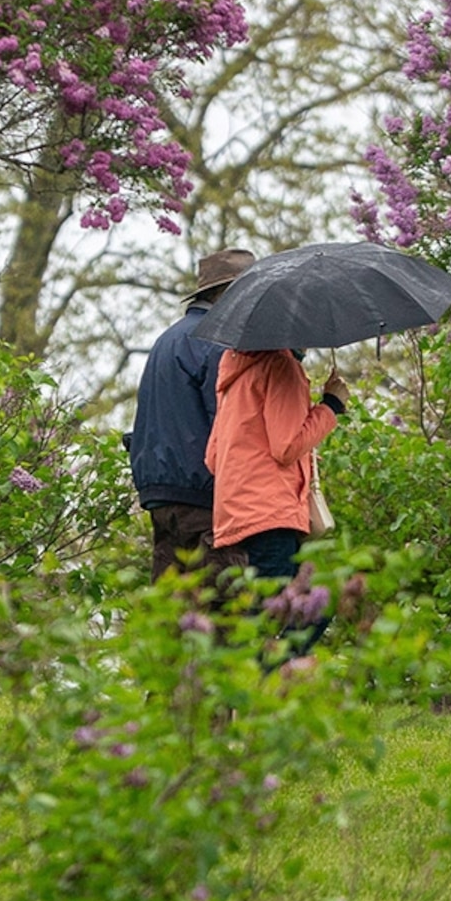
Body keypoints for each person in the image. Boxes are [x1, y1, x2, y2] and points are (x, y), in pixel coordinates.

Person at [125, 249, 254, 578]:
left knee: (176, 615)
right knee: (223, 609)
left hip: (159, 495)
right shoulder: (216, 341)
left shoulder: (166, 340)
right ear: (227, 293)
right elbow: (226, 422)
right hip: (201, 494)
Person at [206, 344, 344, 642]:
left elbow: (213, 457)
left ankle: (268, 676)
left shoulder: (235, 371)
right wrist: (331, 405)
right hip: (270, 515)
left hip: (235, 517)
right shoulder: (282, 366)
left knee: (275, 611)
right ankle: (273, 679)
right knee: (287, 615)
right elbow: (286, 446)